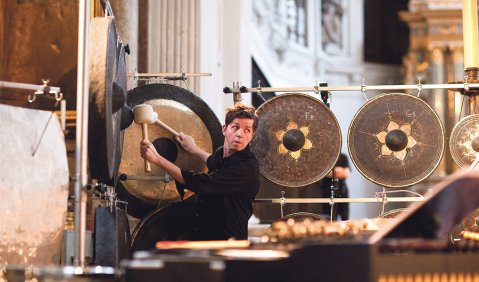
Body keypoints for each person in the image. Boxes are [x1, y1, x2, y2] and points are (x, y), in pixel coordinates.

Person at [140, 103, 260, 240]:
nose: (240, 134)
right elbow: (213, 161)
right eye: (235, 127)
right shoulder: (222, 154)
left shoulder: (247, 167)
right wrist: (194, 149)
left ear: (252, 135)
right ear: (224, 130)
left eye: (247, 130)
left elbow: (200, 183)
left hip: (228, 243)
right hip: (204, 235)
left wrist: (157, 159)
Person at [319, 152, 351, 220]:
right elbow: (320, 173)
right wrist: (338, 171)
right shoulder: (323, 157)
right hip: (327, 191)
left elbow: (345, 174)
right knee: (329, 218)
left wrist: (331, 171)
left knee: (345, 217)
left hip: (342, 191)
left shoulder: (343, 156)